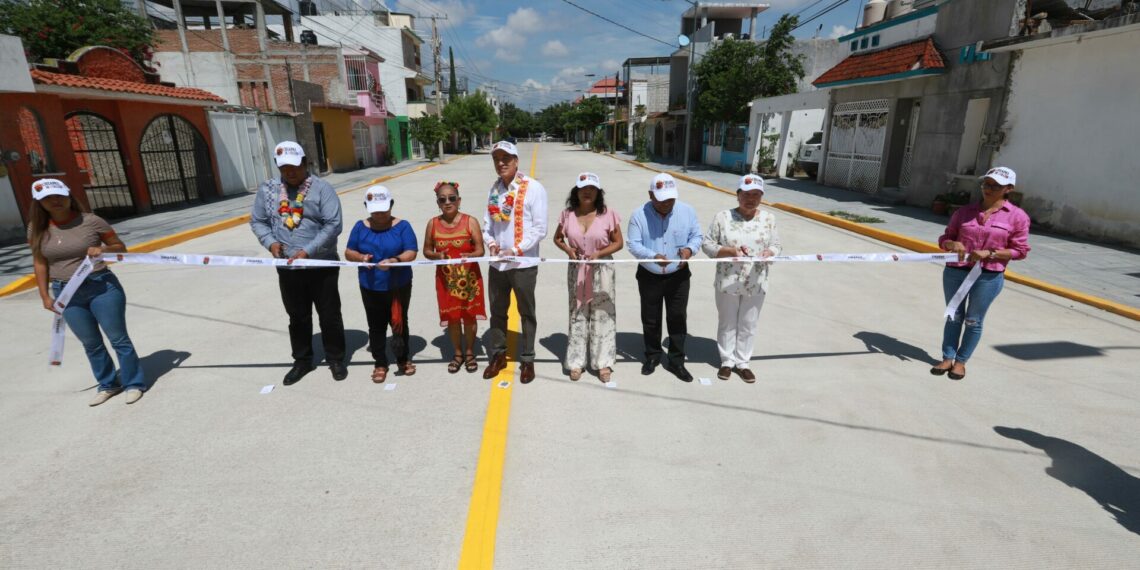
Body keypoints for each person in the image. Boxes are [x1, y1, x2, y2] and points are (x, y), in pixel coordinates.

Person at [28, 179, 147, 406]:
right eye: (48, 198)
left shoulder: (91, 221)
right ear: (39, 202)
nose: (56, 201)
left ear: (69, 195)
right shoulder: (36, 228)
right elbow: (40, 262)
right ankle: (108, 384)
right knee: (91, 343)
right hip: (66, 292)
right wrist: (44, 295)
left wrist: (103, 249)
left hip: (101, 286)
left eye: (60, 195)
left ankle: (133, 383)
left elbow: (121, 248)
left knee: (118, 338)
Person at [250, 141, 347, 386]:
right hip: (288, 268)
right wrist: (271, 243)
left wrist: (308, 251)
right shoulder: (268, 190)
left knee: (329, 315)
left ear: (305, 163)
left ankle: (336, 358)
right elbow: (258, 221)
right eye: (284, 167)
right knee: (297, 316)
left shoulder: (322, 189)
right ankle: (302, 360)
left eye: (294, 166)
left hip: (321, 265)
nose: (289, 172)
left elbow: (333, 224)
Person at [934, 166, 1031, 380]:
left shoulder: (1017, 217)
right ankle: (947, 357)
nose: (988, 189)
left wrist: (991, 253)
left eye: (995, 185)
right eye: (986, 184)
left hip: (988, 276)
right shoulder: (964, 212)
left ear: (1009, 188)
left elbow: (1020, 251)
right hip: (956, 272)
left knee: (973, 320)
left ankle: (961, 362)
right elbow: (944, 239)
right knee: (953, 316)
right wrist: (952, 244)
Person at [701, 175, 781, 383]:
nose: (750, 199)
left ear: (761, 197)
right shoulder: (722, 217)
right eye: (746, 194)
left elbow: (777, 245)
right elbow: (707, 244)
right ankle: (727, 361)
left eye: (756, 194)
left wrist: (769, 252)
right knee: (727, 322)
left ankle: (743, 363)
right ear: (737, 195)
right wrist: (728, 250)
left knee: (748, 323)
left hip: (756, 281)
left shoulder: (769, 219)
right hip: (727, 281)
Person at [481, 140, 548, 384]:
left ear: (516, 161)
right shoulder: (494, 189)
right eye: (497, 159)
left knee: (526, 312)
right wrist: (491, 244)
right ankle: (498, 355)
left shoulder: (533, 188)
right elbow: (487, 225)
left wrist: (516, 249)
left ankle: (527, 359)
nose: (501, 163)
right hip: (497, 264)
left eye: (506, 158)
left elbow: (540, 229)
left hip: (523, 265)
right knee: (497, 312)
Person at [627, 173, 703, 382]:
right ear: (651, 195)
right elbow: (633, 244)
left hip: (678, 275)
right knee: (651, 318)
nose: (666, 204)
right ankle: (652, 356)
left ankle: (677, 361)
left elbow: (697, 236)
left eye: (670, 199)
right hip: (649, 274)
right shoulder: (638, 215)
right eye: (661, 200)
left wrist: (689, 250)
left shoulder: (687, 211)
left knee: (677, 317)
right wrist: (652, 256)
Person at [552, 172, 624, 382]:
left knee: (602, 314)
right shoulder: (567, 215)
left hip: (602, 269)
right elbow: (557, 238)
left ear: (598, 192)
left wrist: (599, 253)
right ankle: (576, 361)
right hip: (578, 269)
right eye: (583, 188)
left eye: (592, 188)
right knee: (578, 313)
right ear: (576, 191)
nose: (587, 192)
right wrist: (568, 250)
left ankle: (603, 364)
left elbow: (618, 242)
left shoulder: (608, 214)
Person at [345, 186, 418, 383]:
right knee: (375, 325)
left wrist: (394, 260)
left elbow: (411, 251)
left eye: (383, 209)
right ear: (366, 207)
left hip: (398, 285)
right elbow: (348, 252)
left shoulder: (403, 226)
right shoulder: (360, 227)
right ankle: (380, 362)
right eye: (375, 210)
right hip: (370, 286)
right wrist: (361, 257)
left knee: (399, 321)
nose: (379, 214)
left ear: (391, 205)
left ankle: (403, 358)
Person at [422, 181, 486, 374]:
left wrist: (472, 256)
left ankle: (469, 353)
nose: (447, 202)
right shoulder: (432, 223)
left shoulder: (470, 221)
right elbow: (426, 250)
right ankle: (457, 354)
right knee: (452, 318)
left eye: (452, 198)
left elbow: (480, 250)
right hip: (446, 281)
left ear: (459, 200)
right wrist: (436, 255)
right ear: (438, 203)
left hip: (470, 279)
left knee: (469, 317)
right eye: (442, 199)